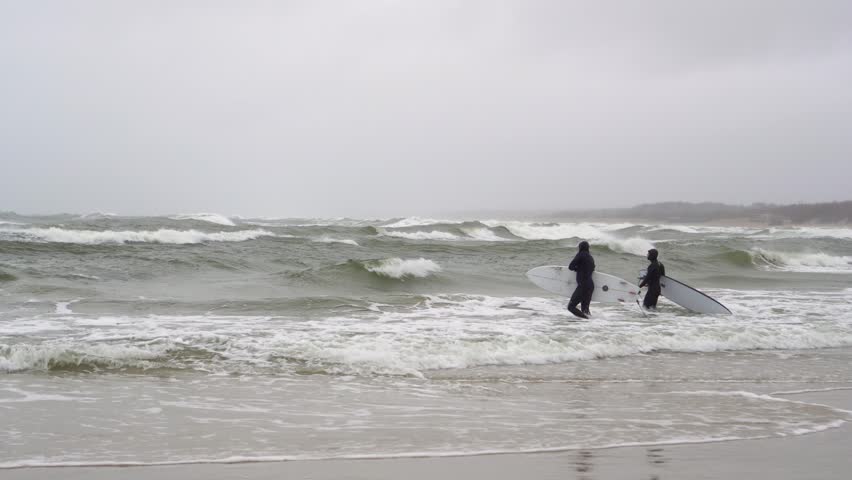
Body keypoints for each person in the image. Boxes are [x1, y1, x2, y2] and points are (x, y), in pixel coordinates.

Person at [567, 240, 595, 319]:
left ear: (580, 248)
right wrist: (579, 268)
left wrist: (577, 268)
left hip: (583, 286)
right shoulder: (591, 258)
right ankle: (591, 323)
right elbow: (590, 270)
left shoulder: (581, 254)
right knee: (585, 311)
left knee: (571, 307)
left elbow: (571, 266)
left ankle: (587, 320)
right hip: (590, 286)